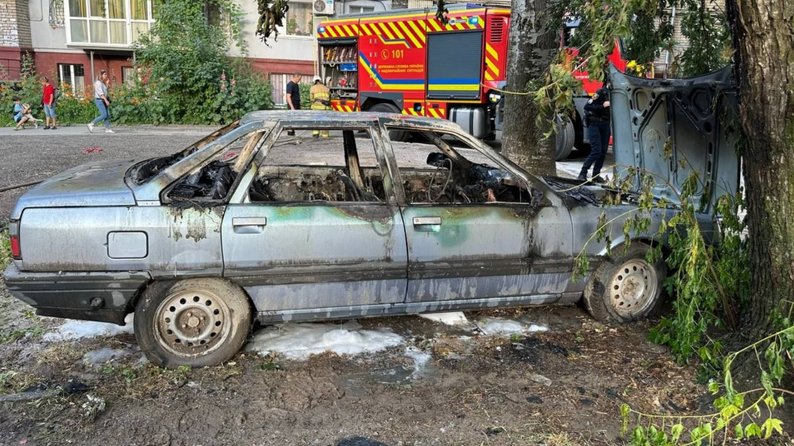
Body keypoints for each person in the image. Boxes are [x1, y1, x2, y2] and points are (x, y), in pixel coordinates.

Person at [578, 87, 611, 183]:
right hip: (595, 124)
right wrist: (602, 106)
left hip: (605, 125)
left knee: (603, 152)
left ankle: (595, 175)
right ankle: (582, 173)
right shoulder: (601, 92)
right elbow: (587, 106)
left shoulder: (616, 94)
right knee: (596, 151)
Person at [87, 69, 113, 134]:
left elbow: (105, 91)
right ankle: (91, 124)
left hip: (103, 100)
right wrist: (106, 100)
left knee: (107, 115)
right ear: (100, 75)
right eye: (104, 74)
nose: (106, 75)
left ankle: (107, 129)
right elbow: (100, 94)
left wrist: (107, 84)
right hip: (100, 100)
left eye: (106, 74)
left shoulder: (102, 83)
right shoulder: (98, 83)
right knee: (104, 114)